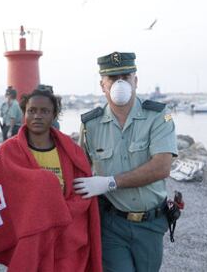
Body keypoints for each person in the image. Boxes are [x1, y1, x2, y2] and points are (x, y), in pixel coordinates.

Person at [74, 52, 178, 272]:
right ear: (102, 85)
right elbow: (78, 169)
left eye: (125, 76)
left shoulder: (158, 116)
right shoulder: (90, 124)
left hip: (151, 223)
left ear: (136, 81)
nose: (119, 83)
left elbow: (162, 167)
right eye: (112, 78)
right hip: (112, 223)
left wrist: (110, 182)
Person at [0, 88, 102, 271]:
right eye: (32, 110)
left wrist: (58, 213)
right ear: (24, 113)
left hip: (66, 235)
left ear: (54, 115)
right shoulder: (8, 151)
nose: (37, 116)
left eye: (44, 111)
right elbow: (2, 197)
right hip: (28, 235)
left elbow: (83, 193)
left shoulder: (72, 151)